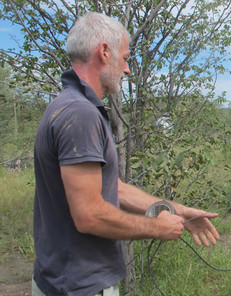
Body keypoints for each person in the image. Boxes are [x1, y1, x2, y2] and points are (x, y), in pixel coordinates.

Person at [32, 12, 219, 296]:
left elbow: (112, 189)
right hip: (79, 286)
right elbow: (90, 215)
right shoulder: (80, 114)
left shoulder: (68, 104)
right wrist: (156, 228)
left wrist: (177, 210)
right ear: (104, 52)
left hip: (65, 280)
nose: (128, 69)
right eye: (125, 57)